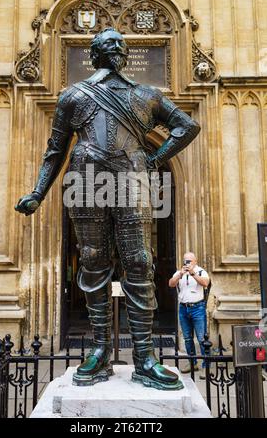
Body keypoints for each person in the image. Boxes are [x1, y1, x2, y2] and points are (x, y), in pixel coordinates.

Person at [15, 28, 200, 390]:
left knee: (140, 260)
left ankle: (144, 357)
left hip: (132, 178)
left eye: (119, 44)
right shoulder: (74, 96)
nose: (115, 49)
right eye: (107, 44)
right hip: (85, 179)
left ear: (125, 54)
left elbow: (187, 125)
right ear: (96, 54)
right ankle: (100, 350)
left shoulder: (146, 95)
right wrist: (38, 192)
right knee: (93, 258)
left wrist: (155, 158)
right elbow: (55, 150)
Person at [169, 252, 210, 379]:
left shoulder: (201, 271)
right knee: (187, 338)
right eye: (185, 261)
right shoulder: (179, 272)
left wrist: (193, 273)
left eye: (189, 261)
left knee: (202, 339)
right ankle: (192, 363)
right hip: (183, 308)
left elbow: (205, 283)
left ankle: (205, 366)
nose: (187, 263)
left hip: (198, 308)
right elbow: (170, 283)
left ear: (195, 261)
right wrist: (181, 273)